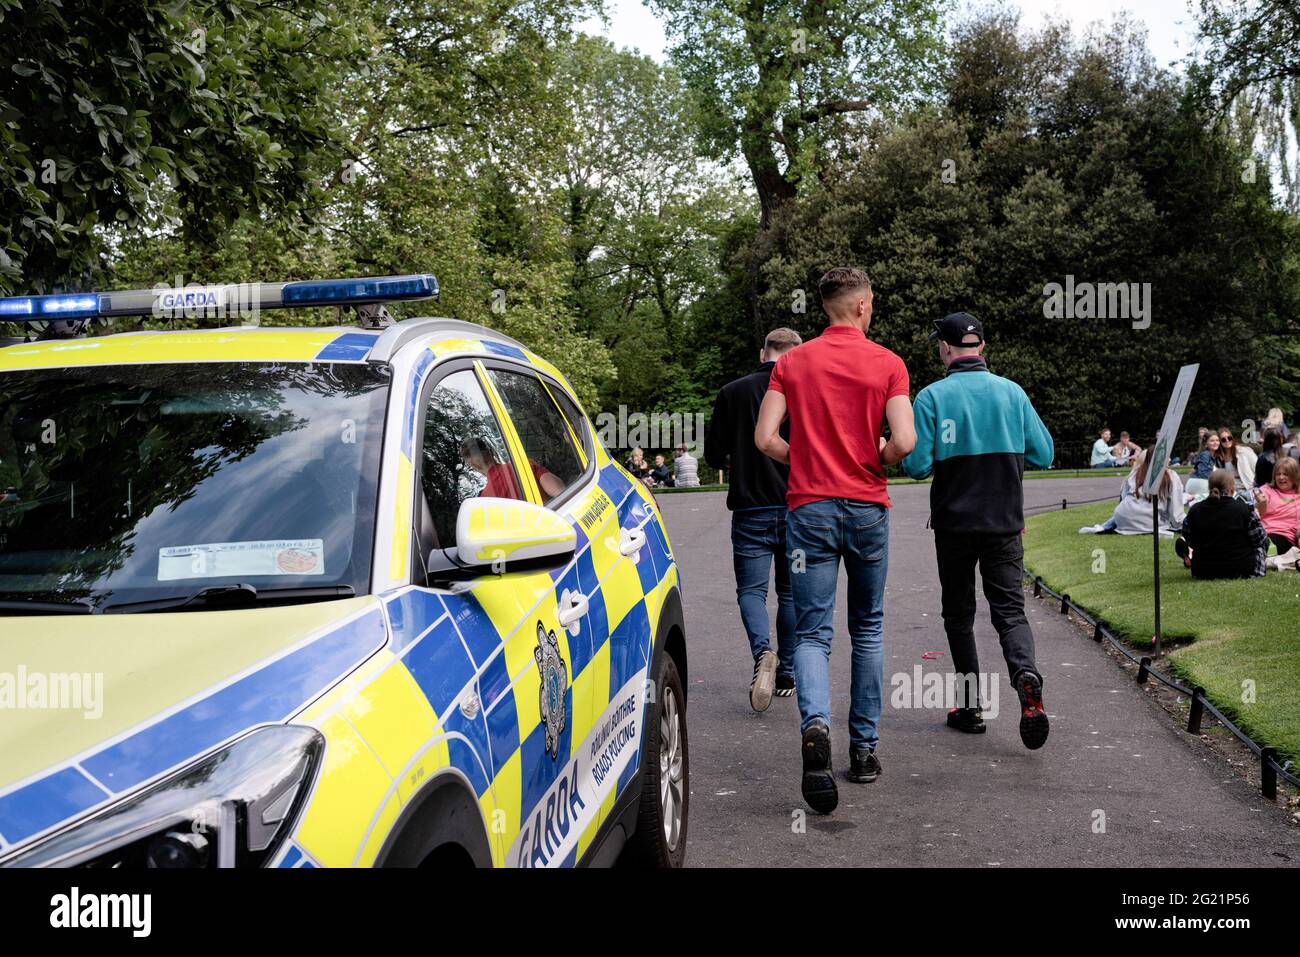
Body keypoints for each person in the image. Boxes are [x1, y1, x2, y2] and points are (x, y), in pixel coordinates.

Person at [754, 268, 915, 814]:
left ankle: (815, 721)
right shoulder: (888, 364)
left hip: (809, 511)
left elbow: (763, 438)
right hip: (868, 509)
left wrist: (803, 460)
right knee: (867, 627)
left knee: (813, 631)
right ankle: (864, 751)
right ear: (864, 305)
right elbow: (907, 441)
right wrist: (876, 459)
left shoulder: (793, 362)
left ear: (826, 307)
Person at [902, 312, 1054, 750]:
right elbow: (1043, 454)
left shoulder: (931, 397)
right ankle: (1026, 676)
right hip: (1005, 522)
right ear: (981, 347)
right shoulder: (1012, 393)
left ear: (946, 348)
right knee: (1010, 611)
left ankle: (971, 707)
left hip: (954, 525)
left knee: (959, 614)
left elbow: (914, 465)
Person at [704, 327, 803, 712]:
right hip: (798, 507)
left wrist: (739, 459)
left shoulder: (733, 392)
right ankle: (788, 672)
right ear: (796, 355)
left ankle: (763, 652)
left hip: (749, 508)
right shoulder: (806, 388)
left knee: (751, 591)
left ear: (764, 354)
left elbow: (714, 454)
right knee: (791, 592)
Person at [1175, 469, 1267, 579]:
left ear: (1209, 488)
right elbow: (1260, 539)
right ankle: (1258, 571)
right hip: (1241, 568)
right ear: (1232, 489)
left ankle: (1191, 559)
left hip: (1203, 570)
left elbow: (1189, 537)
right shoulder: (1244, 509)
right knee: (1261, 545)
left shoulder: (1195, 510)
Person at [1079, 449, 1184, 536]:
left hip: (1123, 519)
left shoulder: (1135, 474)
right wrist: (1180, 524)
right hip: (1148, 523)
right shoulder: (1170, 475)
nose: (1170, 459)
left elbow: (1123, 499)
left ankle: (1104, 526)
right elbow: (1176, 512)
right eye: (1167, 456)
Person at [461, 437, 563, 501]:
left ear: (474, 466)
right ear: (491, 451)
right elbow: (559, 492)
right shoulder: (524, 465)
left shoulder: (485, 499)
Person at [1253, 456, 1300, 553]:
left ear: (1294, 476)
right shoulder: (1266, 490)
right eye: (1278, 474)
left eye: (1285, 474)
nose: (1281, 477)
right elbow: (1257, 514)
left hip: (1285, 537)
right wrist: (1261, 503)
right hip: (1263, 533)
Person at [1215, 427, 1257, 497]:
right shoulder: (1219, 457)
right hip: (1228, 489)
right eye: (1223, 440)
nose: (1227, 440)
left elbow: (1257, 468)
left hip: (1246, 487)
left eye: (1229, 438)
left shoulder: (1244, 451)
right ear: (1220, 442)